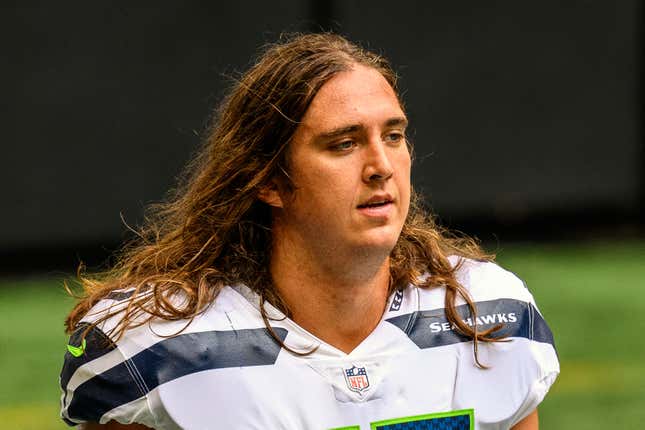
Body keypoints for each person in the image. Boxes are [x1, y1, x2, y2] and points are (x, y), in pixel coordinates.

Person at [60, 33, 559, 430]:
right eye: (343, 144)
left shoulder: (488, 314)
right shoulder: (162, 344)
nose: (381, 165)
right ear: (272, 181)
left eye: (393, 136)